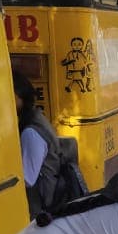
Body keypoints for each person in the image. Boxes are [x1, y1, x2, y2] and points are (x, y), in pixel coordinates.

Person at [13, 70, 87, 218]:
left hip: (42, 202)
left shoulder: (31, 132)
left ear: (21, 97)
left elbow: (27, 179)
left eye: (11, 96)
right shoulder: (36, 118)